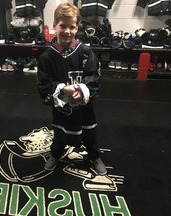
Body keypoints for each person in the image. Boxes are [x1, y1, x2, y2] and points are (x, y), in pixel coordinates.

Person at [36, 3, 107, 175]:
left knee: (89, 132)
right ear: (54, 25)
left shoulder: (85, 53)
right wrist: (62, 89)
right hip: (62, 108)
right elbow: (43, 83)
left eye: (72, 27)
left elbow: (94, 76)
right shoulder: (47, 57)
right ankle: (56, 153)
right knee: (60, 133)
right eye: (63, 26)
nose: (67, 31)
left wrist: (82, 91)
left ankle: (94, 155)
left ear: (77, 28)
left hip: (84, 108)